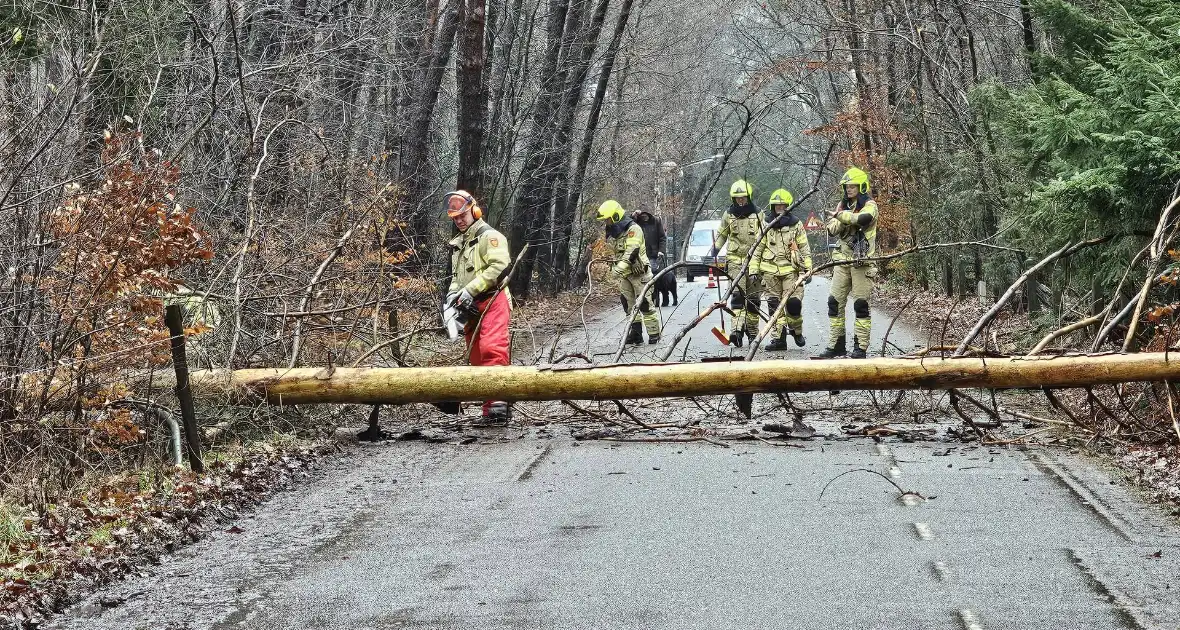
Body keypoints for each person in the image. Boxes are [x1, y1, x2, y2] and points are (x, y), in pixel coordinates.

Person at [444, 190, 513, 423]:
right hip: (468, 304)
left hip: (493, 299)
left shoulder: (490, 237)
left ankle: (497, 406)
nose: (460, 220)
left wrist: (470, 290)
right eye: (455, 218)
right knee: (475, 356)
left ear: (474, 210)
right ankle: (488, 409)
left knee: (492, 348)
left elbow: (500, 267)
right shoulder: (459, 243)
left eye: (463, 215)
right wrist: (453, 295)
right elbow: (456, 276)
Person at [817, 167, 879, 359]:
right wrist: (839, 218)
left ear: (861, 186)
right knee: (834, 303)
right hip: (842, 262)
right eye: (846, 186)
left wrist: (841, 216)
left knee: (860, 305)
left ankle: (860, 347)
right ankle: (837, 345)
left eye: (852, 186)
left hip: (862, 263)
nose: (848, 189)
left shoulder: (870, 205)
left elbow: (862, 219)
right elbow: (832, 229)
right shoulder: (841, 205)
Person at [753, 188, 812, 351]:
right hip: (770, 273)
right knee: (774, 306)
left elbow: (804, 248)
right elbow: (757, 249)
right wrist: (753, 270)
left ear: (788, 206)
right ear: (772, 207)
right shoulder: (765, 224)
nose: (779, 208)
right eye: (776, 205)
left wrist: (808, 269)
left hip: (791, 272)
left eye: (782, 205)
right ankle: (779, 339)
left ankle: (796, 330)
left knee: (793, 305)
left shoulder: (796, 225)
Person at [597, 199, 661, 344]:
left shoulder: (633, 229)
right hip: (626, 276)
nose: (606, 223)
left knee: (645, 304)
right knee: (629, 305)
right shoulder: (617, 233)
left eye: (607, 220)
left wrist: (618, 269)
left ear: (615, 217)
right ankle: (636, 334)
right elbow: (617, 254)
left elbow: (631, 252)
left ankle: (654, 334)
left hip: (640, 274)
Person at [709, 179, 764, 347]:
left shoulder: (758, 214)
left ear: (749, 197)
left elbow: (765, 237)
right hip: (734, 261)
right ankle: (736, 331)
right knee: (738, 296)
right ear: (733, 199)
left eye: (743, 198)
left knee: (753, 299)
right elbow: (721, 234)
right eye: (737, 198)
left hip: (755, 262)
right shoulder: (728, 215)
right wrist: (716, 248)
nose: (741, 201)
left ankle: (752, 332)